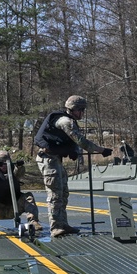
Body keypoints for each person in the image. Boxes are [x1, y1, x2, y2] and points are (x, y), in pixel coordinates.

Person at [34, 95, 113, 237]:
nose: (82, 113)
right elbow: (80, 140)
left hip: (55, 159)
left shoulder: (68, 120)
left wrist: (72, 151)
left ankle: (63, 223)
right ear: (73, 109)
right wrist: (101, 150)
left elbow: (71, 141)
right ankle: (56, 227)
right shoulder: (65, 121)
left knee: (63, 193)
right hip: (48, 160)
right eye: (81, 109)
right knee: (55, 194)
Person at [0, 150, 43, 235]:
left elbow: (20, 174)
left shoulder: (13, 171)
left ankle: (33, 222)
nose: (3, 166)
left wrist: (19, 166)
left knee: (28, 196)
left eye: (5, 163)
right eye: (1, 163)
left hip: (14, 208)